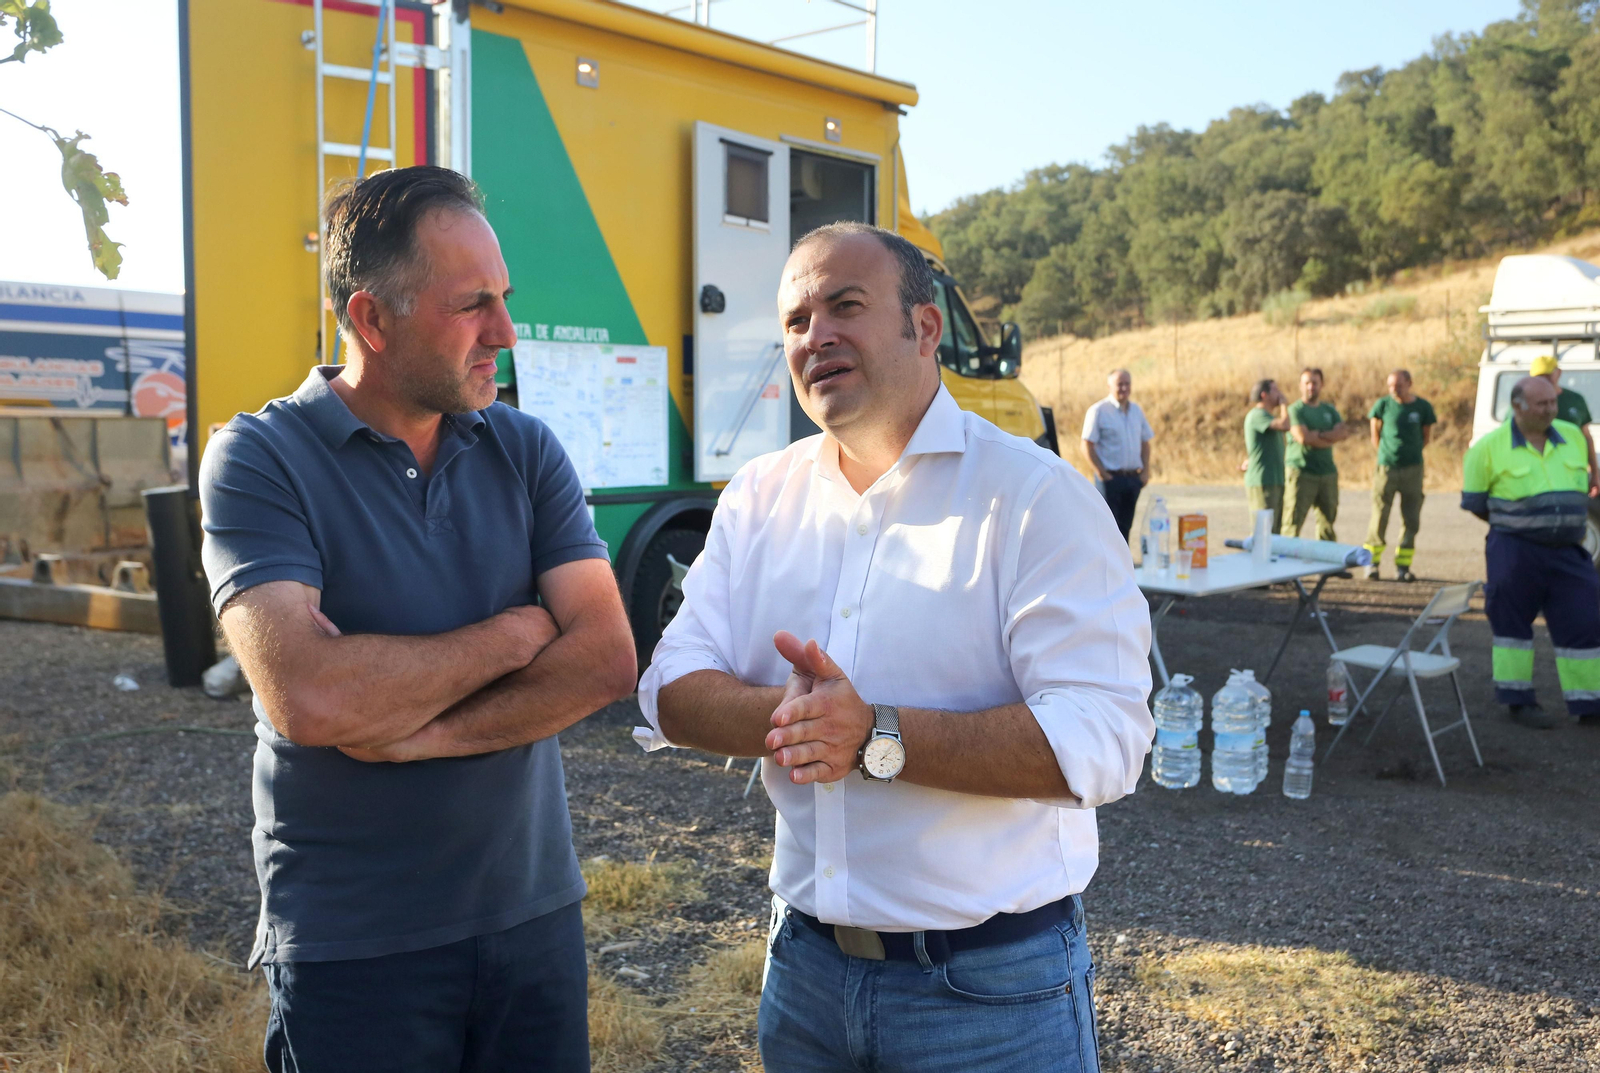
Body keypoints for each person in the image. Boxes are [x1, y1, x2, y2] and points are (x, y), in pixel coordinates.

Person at [637, 222, 1153, 1072]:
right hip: (803, 973)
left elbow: (1101, 742)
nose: (816, 336)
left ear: (924, 328)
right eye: (796, 320)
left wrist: (875, 735)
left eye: (846, 305)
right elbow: (667, 691)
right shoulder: (760, 497)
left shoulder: (1033, 498)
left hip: (990, 994)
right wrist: (805, 719)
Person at [198, 166, 638, 1071]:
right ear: (371, 318)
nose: (505, 334)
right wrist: (515, 635)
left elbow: (604, 659)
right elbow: (312, 698)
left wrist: (421, 732)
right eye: (472, 305)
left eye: (504, 300)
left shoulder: (525, 450)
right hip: (353, 944)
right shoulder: (260, 457)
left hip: (533, 918)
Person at [1462, 375, 1600, 729]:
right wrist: (1519, 523)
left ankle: (1589, 703)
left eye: (1552, 402)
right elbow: (1477, 502)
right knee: (1511, 625)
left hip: (1570, 551)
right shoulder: (1487, 448)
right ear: (1518, 407)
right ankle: (1518, 700)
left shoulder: (1572, 436)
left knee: (1584, 621)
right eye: (1542, 404)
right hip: (1515, 551)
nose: (1551, 409)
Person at [1363, 369, 1437, 581]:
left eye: (1398, 385)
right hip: (1386, 469)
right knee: (1379, 515)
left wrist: (1410, 455)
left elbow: (1426, 437)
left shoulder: (1422, 407)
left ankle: (1403, 567)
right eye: (1390, 385)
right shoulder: (1383, 405)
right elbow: (1374, 435)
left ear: (1409, 383)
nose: (1394, 389)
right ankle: (1372, 564)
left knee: (1411, 518)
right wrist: (1387, 456)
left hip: (1413, 470)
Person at [1081, 367, 1155, 541]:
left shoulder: (1136, 411)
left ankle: (1124, 567)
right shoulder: (1098, 411)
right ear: (1109, 386)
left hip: (1132, 479)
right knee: (1107, 529)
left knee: (1125, 528)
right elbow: (1086, 444)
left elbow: (1145, 442)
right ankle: (1107, 568)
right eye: (1119, 384)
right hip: (1110, 480)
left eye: (1127, 384)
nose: (1124, 388)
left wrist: (1145, 471)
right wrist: (1101, 473)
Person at [1283, 367, 1350, 541]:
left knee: (1327, 522)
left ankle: (1328, 565)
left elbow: (1343, 432)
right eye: (1307, 383)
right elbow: (1303, 437)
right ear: (1300, 385)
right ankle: (1286, 564)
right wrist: (1329, 436)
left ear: (1322, 385)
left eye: (1315, 383)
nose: (1311, 387)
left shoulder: (1329, 410)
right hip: (1302, 471)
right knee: (1293, 522)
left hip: (1327, 472)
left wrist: (1318, 435)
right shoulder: (1295, 410)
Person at [1531, 354, 1600, 497]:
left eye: (1547, 375)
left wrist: (1595, 474)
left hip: (1572, 476)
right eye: (1539, 376)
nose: (1543, 380)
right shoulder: (1525, 402)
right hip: (1537, 477)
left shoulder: (1575, 400)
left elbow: (1587, 437)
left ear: (1558, 373)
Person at [1243, 378, 1290, 533]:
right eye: (1275, 390)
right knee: (1263, 531)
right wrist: (1284, 404)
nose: (1279, 394)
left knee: (1275, 532)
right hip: (1263, 480)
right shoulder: (1257, 415)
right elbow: (1285, 425)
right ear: (1264, 395)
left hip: (1275, 479)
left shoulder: (1269, 418)